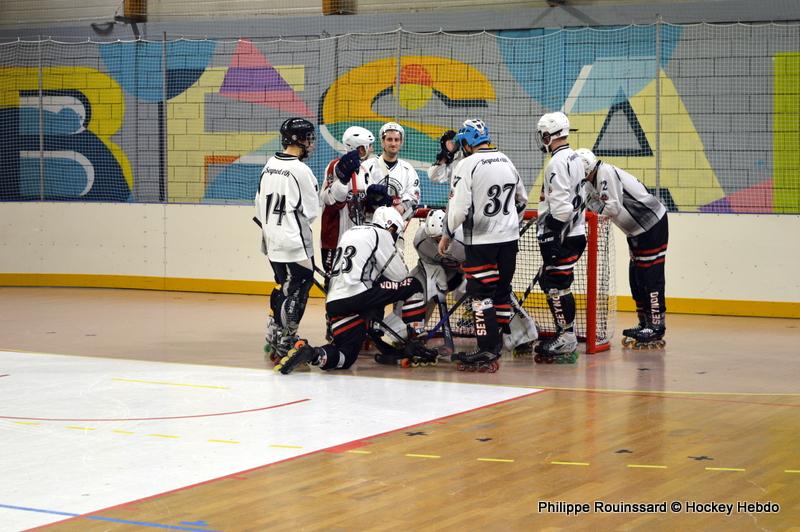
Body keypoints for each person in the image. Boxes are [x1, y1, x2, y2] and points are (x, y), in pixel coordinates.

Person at [275, 206, 424, 374]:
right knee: (413, 285)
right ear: (390, 226)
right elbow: (400, 276)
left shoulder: (350, 232)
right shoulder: (380, 234)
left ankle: (314, 354)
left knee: (346, 356)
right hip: (358, 296)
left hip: (334, 303)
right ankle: (416, 340)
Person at [438, 119, 528, 370]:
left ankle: (486, 350)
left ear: (466, 143)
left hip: (481, 241)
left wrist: (446, 233)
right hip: (509, 241)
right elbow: (522, 199)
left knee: (480, 296)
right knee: (501, 292)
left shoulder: (466, 165)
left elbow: (458, 209)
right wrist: (509, 224)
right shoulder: (506, 160)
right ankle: (495, 345)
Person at [385, 209, 537, 356]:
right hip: (439, 270)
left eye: (440, 237)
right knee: (413, 287)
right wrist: (438, 284)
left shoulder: (464, 237)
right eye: (434, 239)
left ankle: (523, 336)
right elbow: (428, 263)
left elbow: (486, 261)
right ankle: (404, 333)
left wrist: (468, 273)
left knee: (494, 292)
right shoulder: (420, 240)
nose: (438, 242)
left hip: (469, 270)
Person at [575, 148, 668, 348]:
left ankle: (656, 326)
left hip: (651, 225)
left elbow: (612, 209)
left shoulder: (604, 173)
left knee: (650, 276)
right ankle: (645, 322)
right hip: (635, 231)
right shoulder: (590, 182)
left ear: (584, 169)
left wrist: (591, 211)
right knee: (636, 277)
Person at [255, 117, 320, 361]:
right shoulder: (301, 171)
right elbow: (311, 211)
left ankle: (274, 331)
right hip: (295, 244)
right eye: (309, 138)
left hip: (272, 242)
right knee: (299, 290)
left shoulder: (269, 164)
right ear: (298, 140)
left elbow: (259, 203)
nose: (311, 143)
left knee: (284, 285)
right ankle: (286, 338)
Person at [533, 111, 586, 363]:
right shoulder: (575, 157)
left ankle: (566, 337)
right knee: (552, 282)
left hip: (563, 235)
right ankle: (564, 333)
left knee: (556, 286)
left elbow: (562, 209)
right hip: (575, 232)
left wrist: (550, 234)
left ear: (547, 135)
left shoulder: (556, 163)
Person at [319, 126, 377, 287]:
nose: (371, 149)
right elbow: (328, 200)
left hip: (357, 238)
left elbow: (367, 206)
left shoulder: (365, 170)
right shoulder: (335, 166)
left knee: (356, 283)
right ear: (360, 148)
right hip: (334, 238)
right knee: (334, 284)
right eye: (369, 146)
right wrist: (343, 180)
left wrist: (377, 200)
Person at [363, 122, 422, 233]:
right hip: (369, 226)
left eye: (396, 140)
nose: (393, 143)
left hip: (395, 228)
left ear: (401, 142)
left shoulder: (408, 169)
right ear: (382, 142)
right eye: (389, 139)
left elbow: (414, 197)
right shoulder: (367, 166)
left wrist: (402, 206)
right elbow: (360, 195)